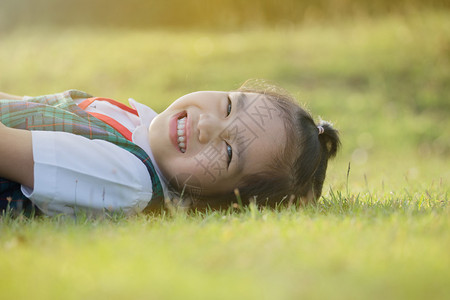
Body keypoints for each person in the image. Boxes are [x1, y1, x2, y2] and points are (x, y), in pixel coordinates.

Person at [0, 80, 340, 216]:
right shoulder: (136, 122)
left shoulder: (128, 178)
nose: (207, 126)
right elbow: (26, 105)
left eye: (229, 153)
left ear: (213, 201)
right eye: (228, 107)